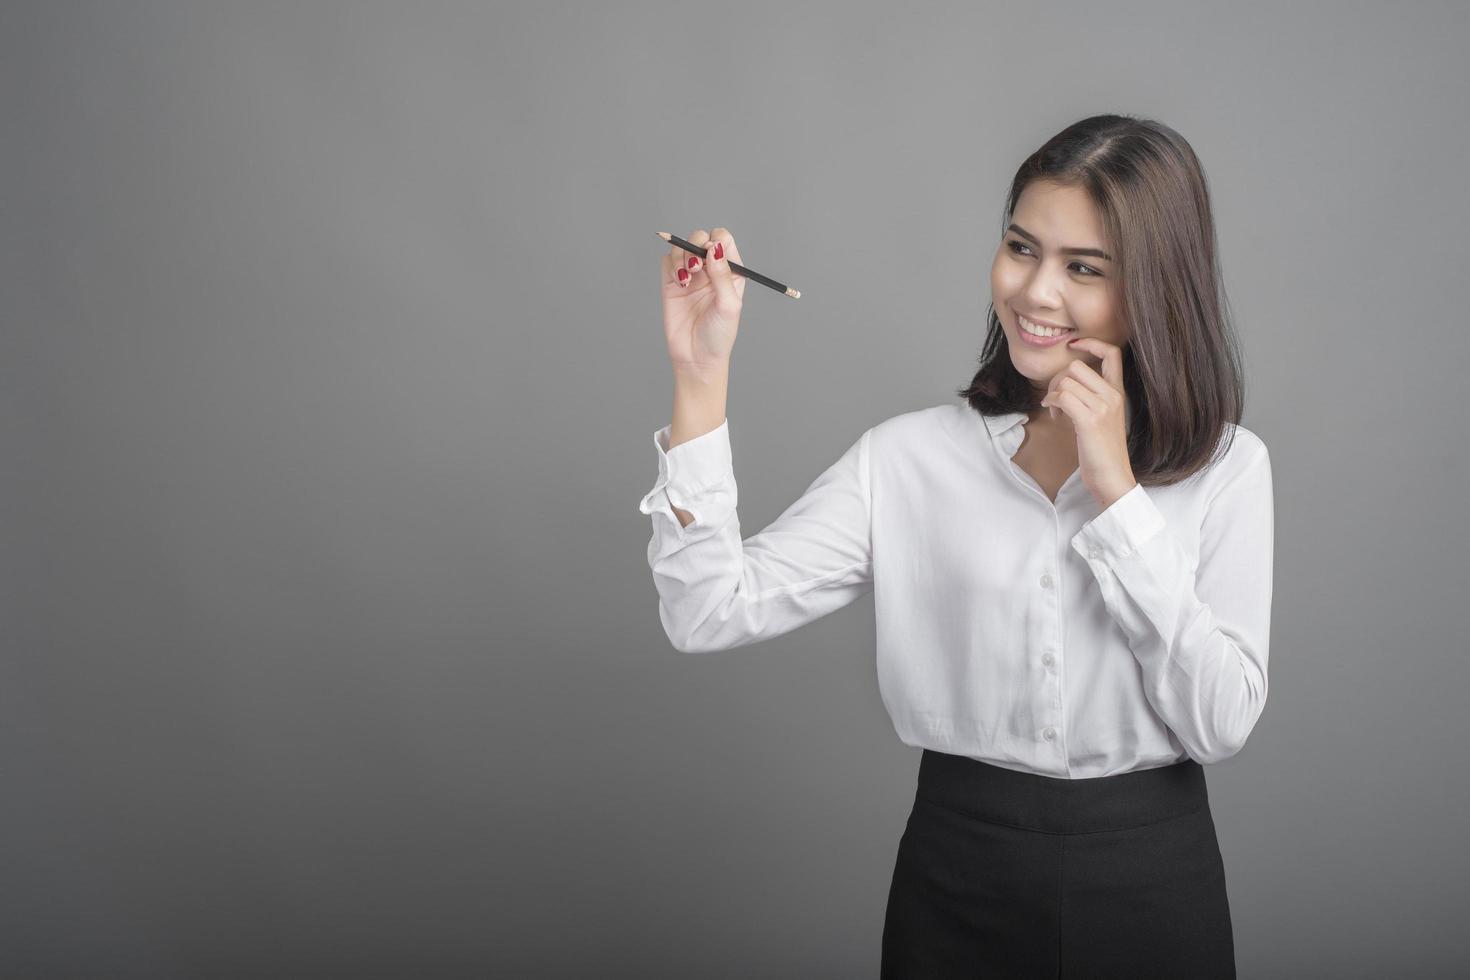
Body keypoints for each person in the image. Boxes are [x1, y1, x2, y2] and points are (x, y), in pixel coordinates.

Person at [636, 113, 1270, 978]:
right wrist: (699, 376)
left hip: (1153, 883)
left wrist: (1118, 492)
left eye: (1084, 268)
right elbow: (706, 612)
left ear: (1155, 287)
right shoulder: (907, 458)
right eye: (1021, 248)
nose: (1036, 292)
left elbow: (1222, 721)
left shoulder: (1228, 466)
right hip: (956, 879)